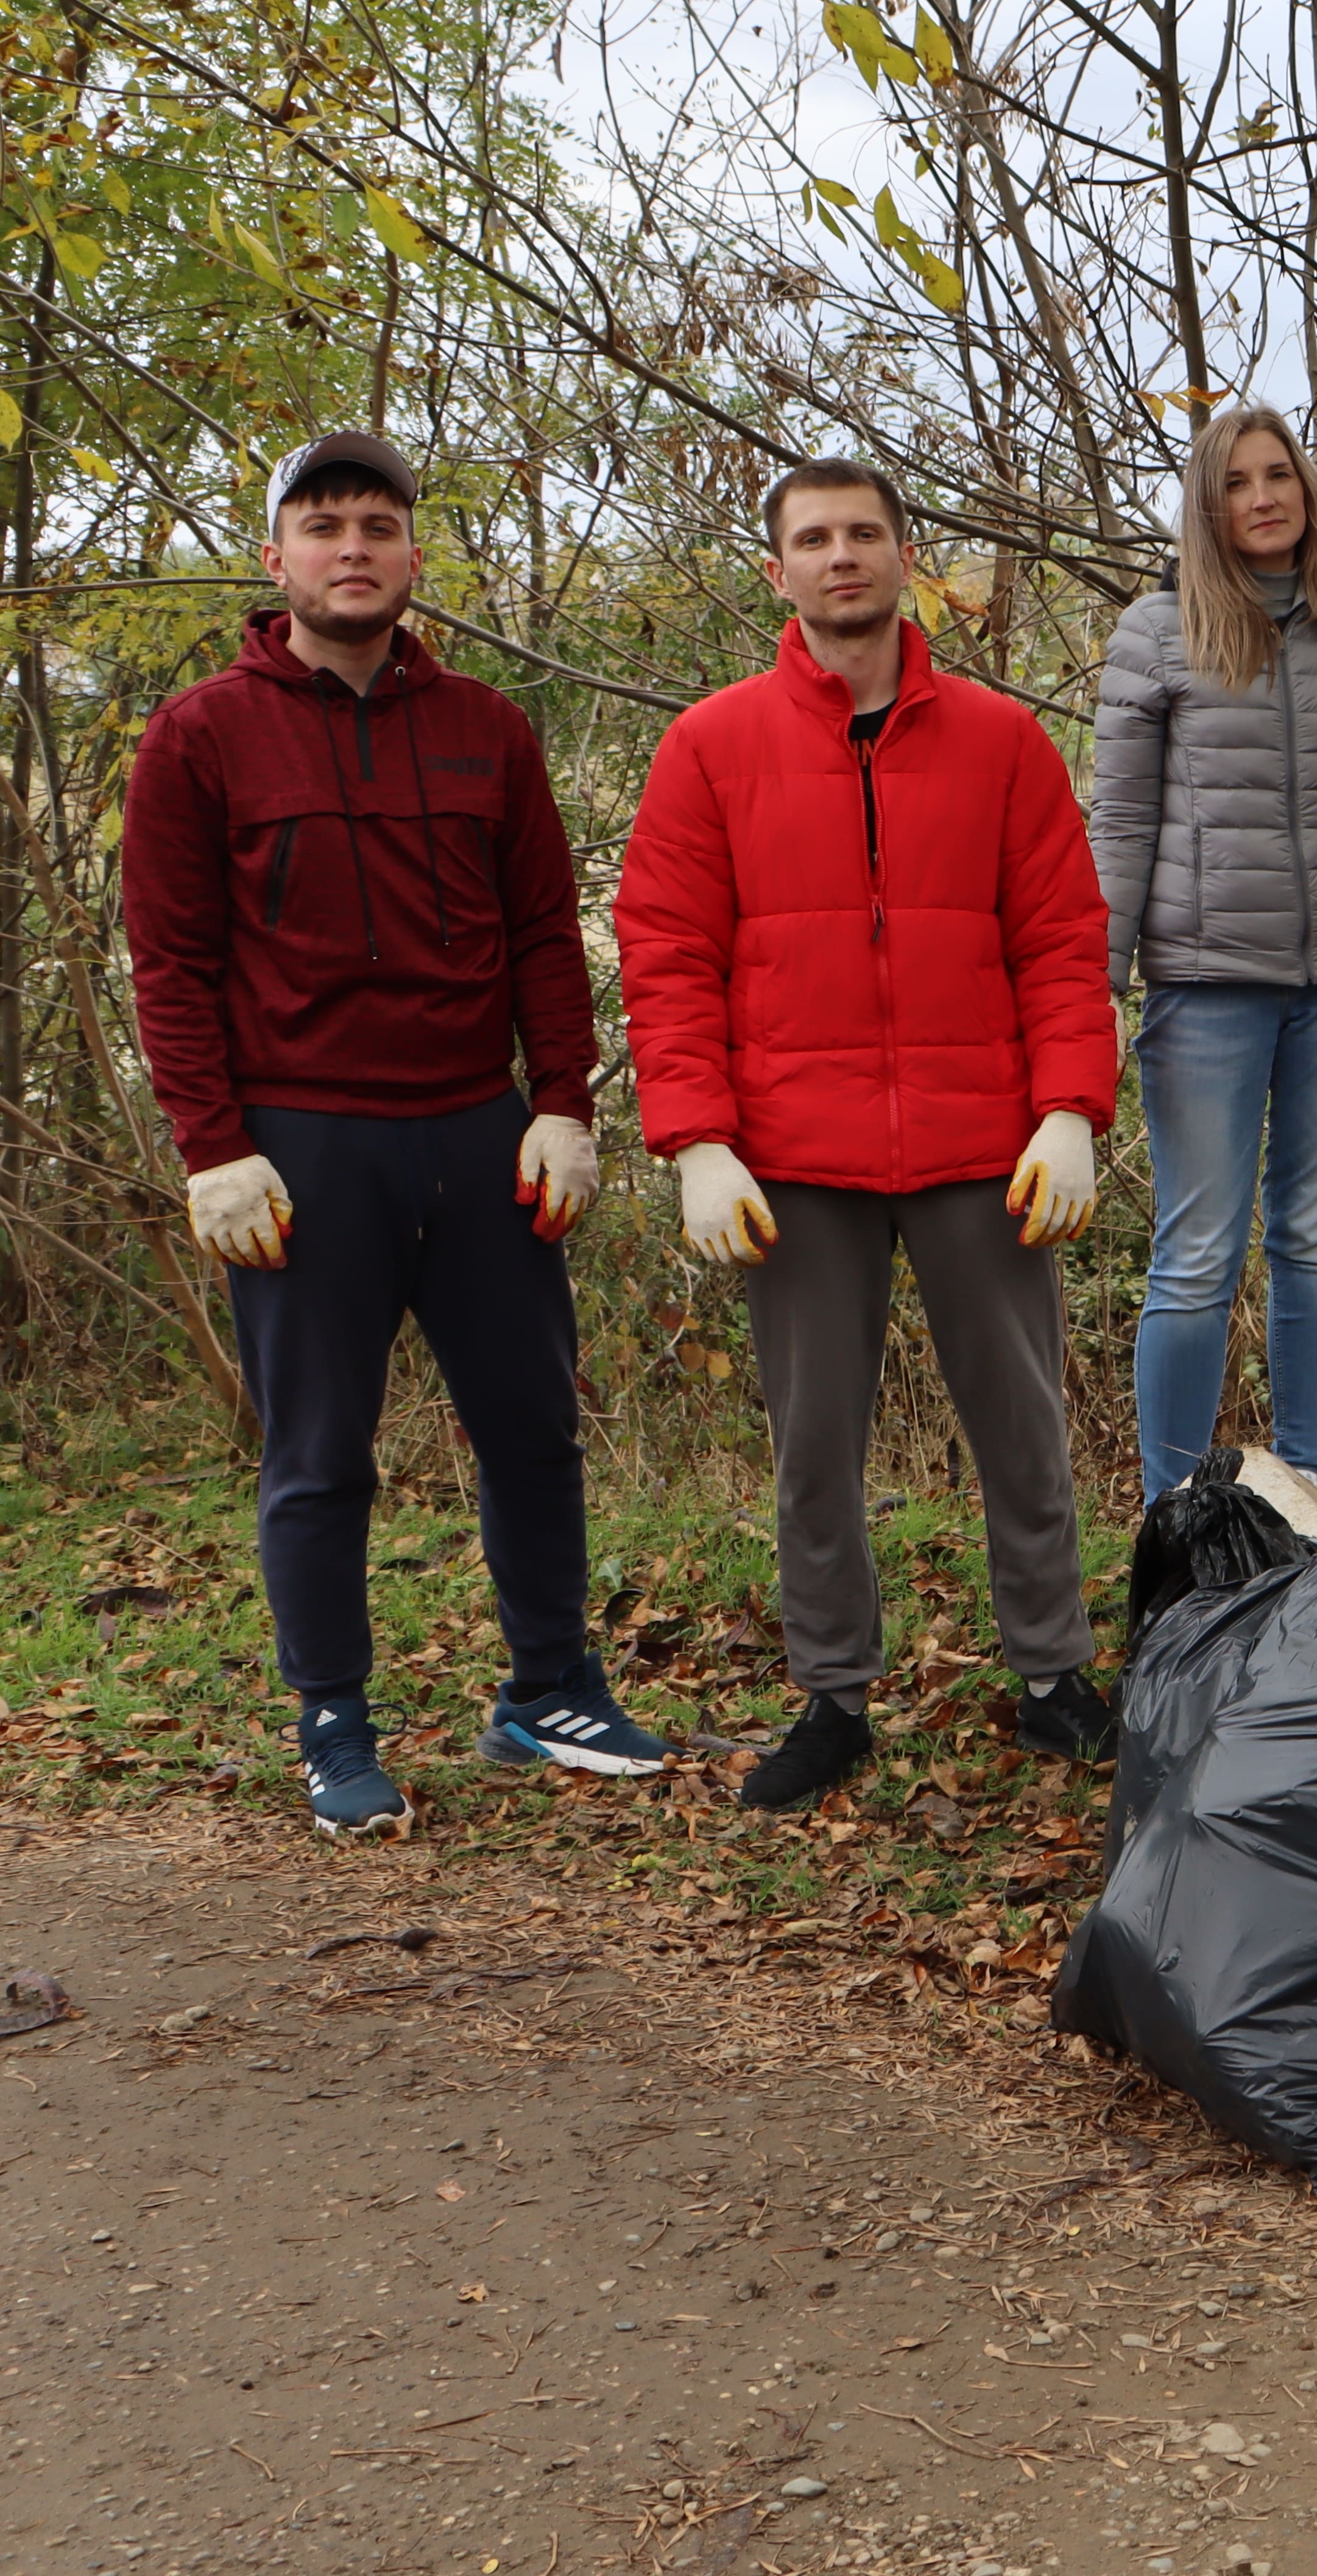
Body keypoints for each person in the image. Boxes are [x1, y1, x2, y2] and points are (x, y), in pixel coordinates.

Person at [118, 430, 663, 1839]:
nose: (351, 546)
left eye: (378, 524)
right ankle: (334, 1721)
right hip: (302, 1148)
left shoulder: (488, 726)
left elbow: (547, 931)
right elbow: (170, 963)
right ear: (277, 554)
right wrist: (211, 1145)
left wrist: (563, 1103)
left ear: (415, 557)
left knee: (533, 1425)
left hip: (480, 1132)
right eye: (322, 524)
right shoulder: (199, 736)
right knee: (321, 1451)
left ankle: (548, 1689)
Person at [613, 459, 1124, 1812]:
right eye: (813, 539)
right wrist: (697, 1141)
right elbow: (665, 950)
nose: (842, 557)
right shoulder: (711, 745)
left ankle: (1053, 1673)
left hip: (981, 1141)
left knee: (1022, 1422)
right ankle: (833, 1694)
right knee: (814, 1438)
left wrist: (1071, 1108)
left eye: (865, 534)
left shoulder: (1004, 742)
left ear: (908, 557)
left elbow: (1066, 939)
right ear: (775, 569)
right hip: (793, 1153)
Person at [1086, 403, 1317, 1507]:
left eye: (1278, 475)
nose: (1261, 496)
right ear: (1208, 505)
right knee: (1198, 1253)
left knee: (1316, 1243)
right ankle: (1173, 1516)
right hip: (1205, 988)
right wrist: (1098, 986)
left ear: (1306, 491)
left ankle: (1305, 1487)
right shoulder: (1158, 633)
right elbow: (1122, 826)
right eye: (1237, 481)